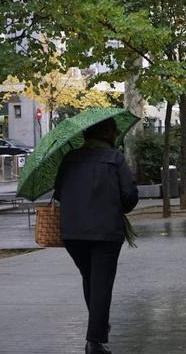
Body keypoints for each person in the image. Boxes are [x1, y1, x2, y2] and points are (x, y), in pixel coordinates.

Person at [54, 118, 139, 354]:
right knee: (101, 284)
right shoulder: (115, 159)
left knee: (90, 278)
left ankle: (98, 326)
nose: (116, 133)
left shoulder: (70, 159)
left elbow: (60, 193)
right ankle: (94, 341)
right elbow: (130, 196)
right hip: (105, 232)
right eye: (114, 129)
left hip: (73, 232)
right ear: (107, 132)